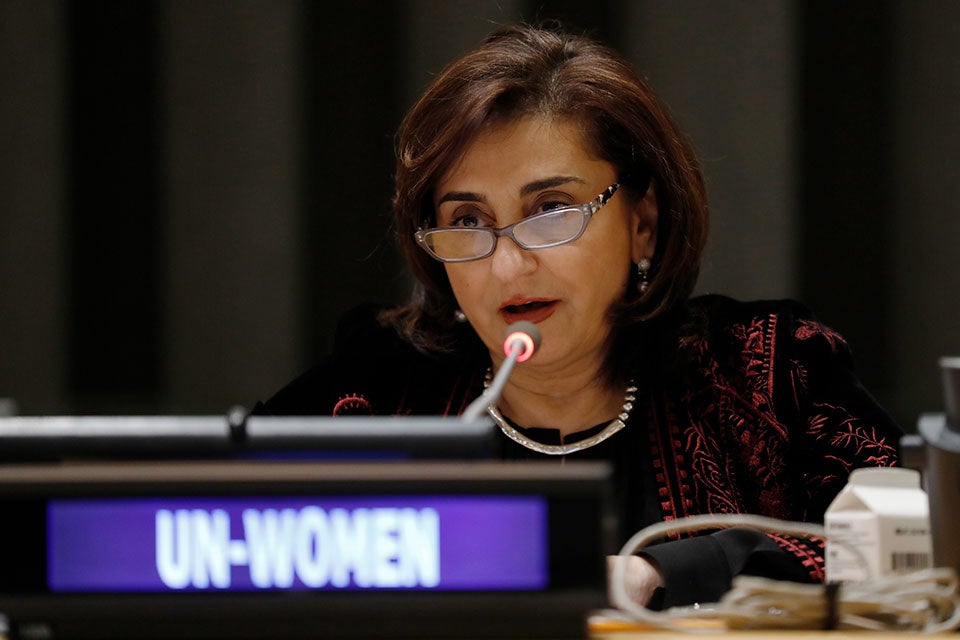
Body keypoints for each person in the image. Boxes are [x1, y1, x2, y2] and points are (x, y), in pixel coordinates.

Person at [252, 24, 901, 609]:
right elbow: (223, 538)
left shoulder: (769, 374)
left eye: (550, 212)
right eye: (468, 222)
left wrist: (667, 572)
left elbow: (904, 568)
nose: (507, 267)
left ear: (642, 225)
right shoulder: (376, 391)